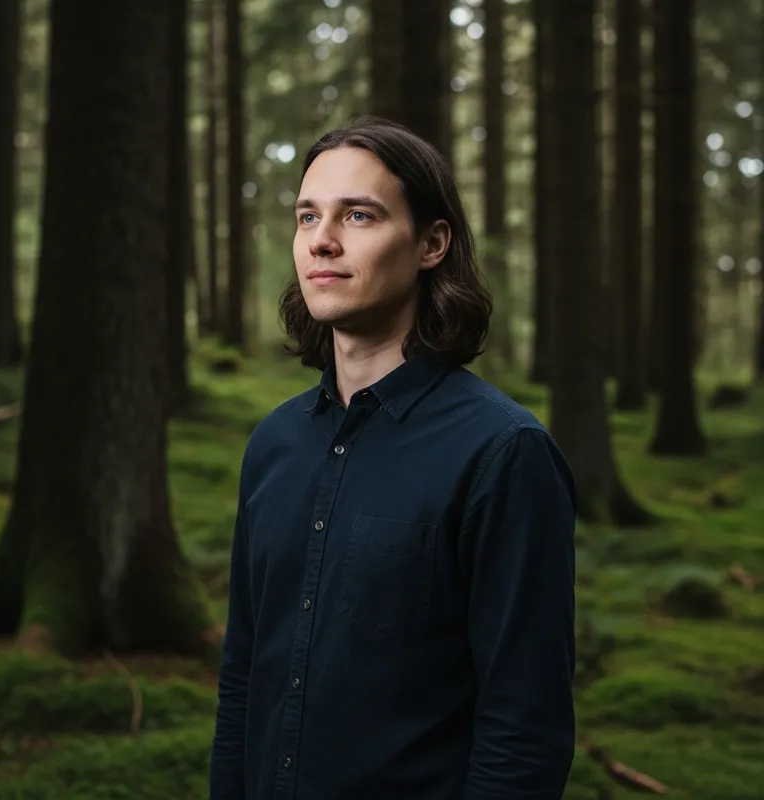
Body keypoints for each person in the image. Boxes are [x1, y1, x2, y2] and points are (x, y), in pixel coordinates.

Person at [210, 117, 576, 800]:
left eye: (359, 215)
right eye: (307, 215)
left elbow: (525, 727)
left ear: (431, 243)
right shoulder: (274, 446)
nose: (322, 239)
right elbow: (243, 680)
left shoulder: (503, 453)